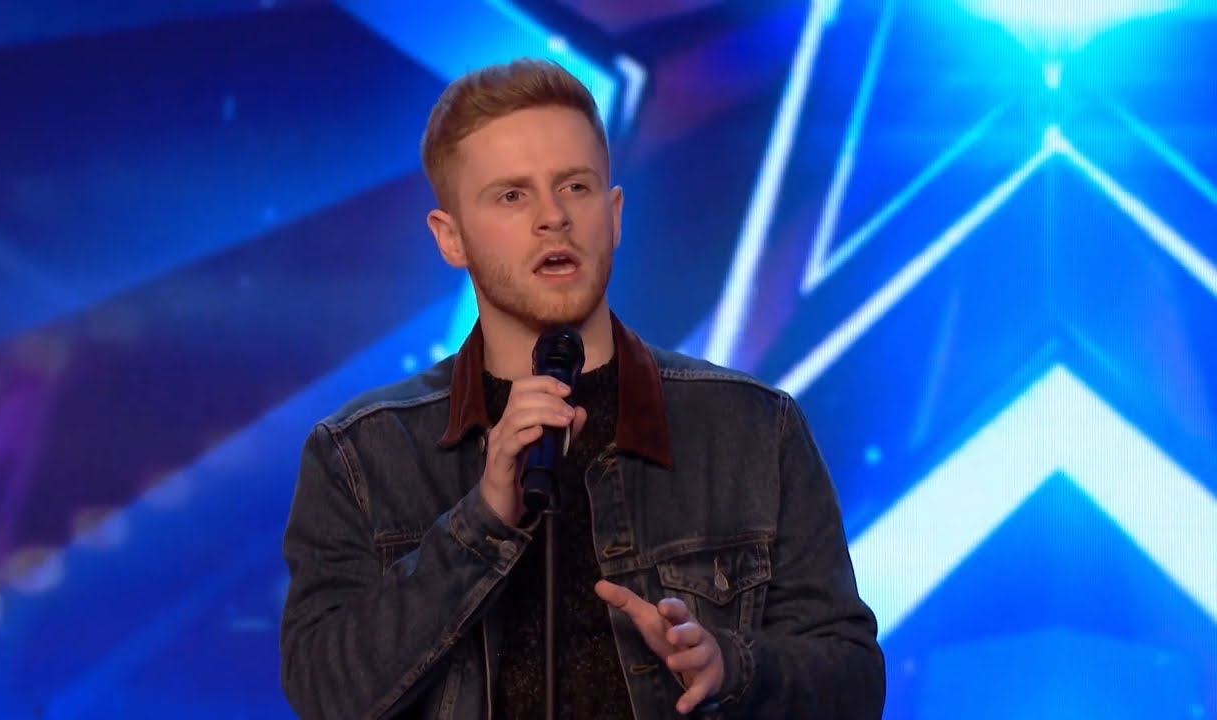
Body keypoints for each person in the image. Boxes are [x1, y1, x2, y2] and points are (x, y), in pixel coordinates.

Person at [279, 58, 885, 719]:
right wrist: (481, 523)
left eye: (575, 187)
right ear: (451, 238)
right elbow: (325, 693)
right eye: (512, 196)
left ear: (614, 214)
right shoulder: (363, 455)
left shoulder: (751, 429)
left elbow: (852, 681)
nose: (553, 218)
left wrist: (731, 666)